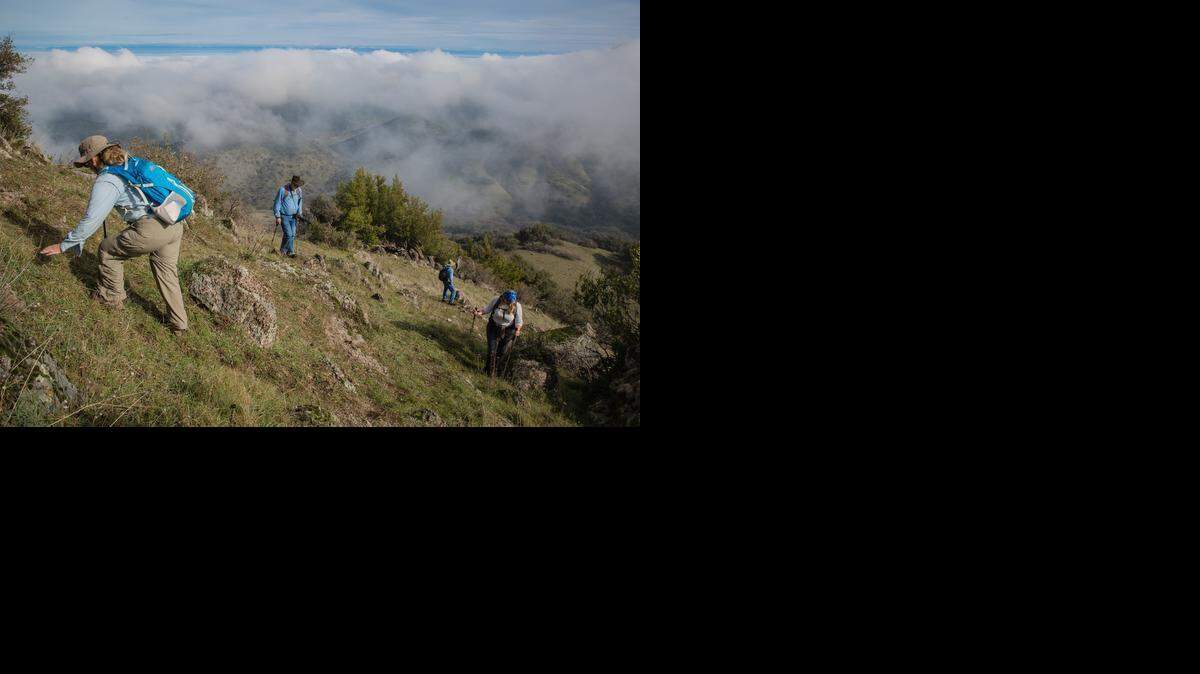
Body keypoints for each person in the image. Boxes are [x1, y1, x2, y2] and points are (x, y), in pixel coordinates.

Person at [37, 135, 188, 335]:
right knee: (167, 271)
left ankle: (110, 299)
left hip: (152, 228)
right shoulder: (129, 165)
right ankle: (179, 324)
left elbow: (92, 218)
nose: (88, 168)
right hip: (174, 223)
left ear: (93, 159)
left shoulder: (108, 179)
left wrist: (65, 244)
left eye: (87, 164)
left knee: (108, 250)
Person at [474, 290, 523, 376]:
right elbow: (486, 310)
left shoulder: (517, 306)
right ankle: (488, 371)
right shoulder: (496, 300)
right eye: (507, 301)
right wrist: (479, 313)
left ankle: (495, 369)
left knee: (502, 352)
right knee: (492, 350)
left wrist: (518, 329)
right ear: (503, 297)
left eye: (510, 302)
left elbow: (519, 321)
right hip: (493, 327)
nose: (508, 303)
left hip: (508, 331)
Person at [273, 175, 304, 258]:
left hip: (294, 217)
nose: (297, 187)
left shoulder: (299, 191)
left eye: (298, 185)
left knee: (292, 235)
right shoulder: (283, 190)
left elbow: (300, 202)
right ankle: (288, 252)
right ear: (292, 182)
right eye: (296, 185)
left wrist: (299, 213)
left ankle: (285, 251)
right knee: (289, 234)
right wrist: (278, 216)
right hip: (284, 216)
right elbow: (277, 203)